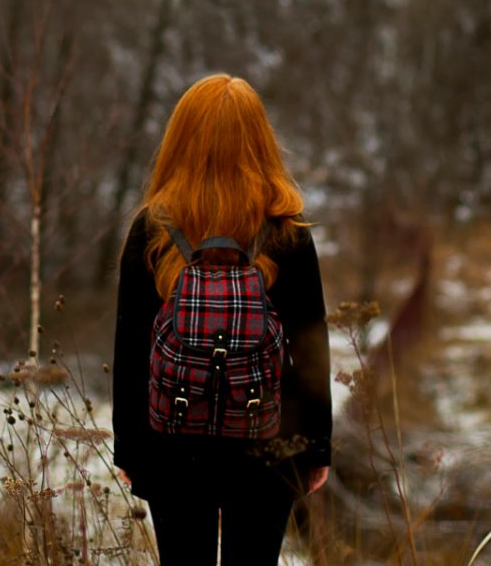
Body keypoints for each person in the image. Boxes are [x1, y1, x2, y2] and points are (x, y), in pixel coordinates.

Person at [112, 73, 332, 566]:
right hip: (268, 442)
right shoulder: (286, 230)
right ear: (260, 139)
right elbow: (311, 346)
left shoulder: (152, 229)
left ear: (179, 138)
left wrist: (129, 448)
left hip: (171, 443)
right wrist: (315, 447)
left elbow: (131, 349)